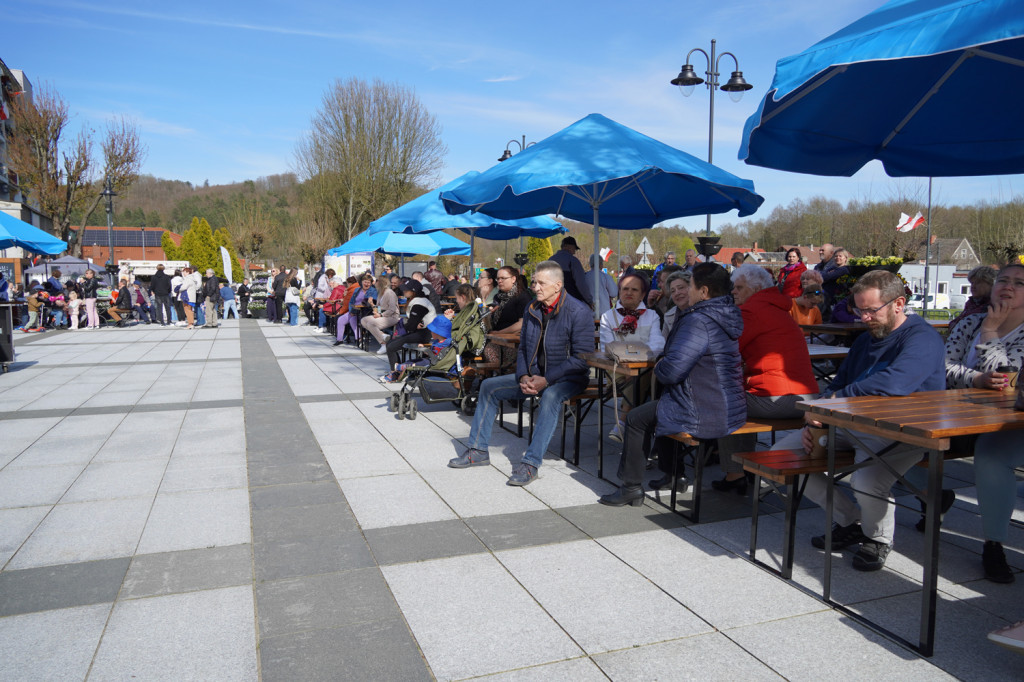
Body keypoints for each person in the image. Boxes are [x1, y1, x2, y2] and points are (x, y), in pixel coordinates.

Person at [769, 270, 945, 572]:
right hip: (851, 424)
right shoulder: (866, 340)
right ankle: (850, 520)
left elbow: (895, 383)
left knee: (866, 480)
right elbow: (839, 384)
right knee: (778, 460)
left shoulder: (923, 338)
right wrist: (817, 419)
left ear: (898, 304)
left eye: (870, 310)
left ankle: (877, 539)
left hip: (904, 431)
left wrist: (830, 406)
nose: (863, 317)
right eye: (858, 309)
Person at [600, 263, 746, 505]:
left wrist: (659, 365)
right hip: (726, 401)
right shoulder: (726, 313)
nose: (686, 290)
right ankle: (673, 475)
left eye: (690, 285)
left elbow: (671, 372)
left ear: (704, 292)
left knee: (636, 418)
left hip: (704, 405)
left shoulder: (698, 319)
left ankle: (630, 488)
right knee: (661, 408)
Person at [449, 260, 594, 486]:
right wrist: (525, 376)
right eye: (534, 282)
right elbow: (525, 348)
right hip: (535, 376)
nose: (535, 287)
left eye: (540, 283)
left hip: (567, 379)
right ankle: (478, 450)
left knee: (551, 396)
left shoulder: (578, 311)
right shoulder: (532, 308)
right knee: (489, 387)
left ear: (557, 286)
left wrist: (547, 379)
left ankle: (531, 463)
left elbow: (582, 359)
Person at [944, 263, 1024, 583]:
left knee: (991, 457)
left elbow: (1005, 383)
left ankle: (994, 544)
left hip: (1007, 423)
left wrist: (992, 332)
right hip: (956, 413)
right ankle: (930, 497)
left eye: (1019, 283)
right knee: (903, 439)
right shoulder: (969, 323)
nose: (1008, 286)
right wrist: (977, 377)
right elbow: (943, 367)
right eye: (1003, 280)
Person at [712, 265, 819, 493]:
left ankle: (735, 473)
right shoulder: (778, 309)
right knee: (738, 399)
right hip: (807, 397)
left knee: (723, 401)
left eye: (739, 287)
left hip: (779, 399)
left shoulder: (751, 311)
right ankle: (743, 467)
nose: (733, 292)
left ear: (756, 289)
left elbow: (724, 351)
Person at [599, 272, 665, 443]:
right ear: (619, 291)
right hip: (617, 371)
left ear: (643, 294)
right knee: (643, 375)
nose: (629, 292)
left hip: (644, 372)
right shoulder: (608, 316)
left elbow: (658, 345)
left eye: (634, 289)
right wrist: (638, 355)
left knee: (643, 374)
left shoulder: (652, 316)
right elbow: (608, 347)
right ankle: (638, 431)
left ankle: (623, 421)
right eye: (625, 289)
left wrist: (631, 358)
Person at [381, 279, 436, 374]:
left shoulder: (420, 303)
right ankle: (398, 370)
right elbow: (412, 324)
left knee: (391, 346)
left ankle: (395, 372)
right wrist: (412, 324)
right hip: (421, 332)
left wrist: (411, 324)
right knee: (390, 343)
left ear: (414, 291)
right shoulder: (417, 300)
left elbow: (410, 326)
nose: (404, 291)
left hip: (427, 333)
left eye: (407, 290)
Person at [481, 266, 532, 369]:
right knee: (487, 351)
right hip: (495, 338)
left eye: (503, 278)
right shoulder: (498, 297)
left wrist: (500, 333)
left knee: (507, 359)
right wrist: (483, 298)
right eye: (498, 278)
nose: (499, 281)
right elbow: (487, 321)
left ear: (513, 279)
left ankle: (499, 378)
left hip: (513, 341)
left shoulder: (522, 296)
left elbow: (522, 324)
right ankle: (490, 379)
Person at [948, 265, 996, 333]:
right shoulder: (971, 303)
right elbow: (956, 321)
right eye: (972, 283)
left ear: (991, 284)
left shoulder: (992, 306)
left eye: (978, 283)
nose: (973, 286)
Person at [362, 275, 401, 354]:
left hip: (392, 316)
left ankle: (383, 344)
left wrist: (380, 315)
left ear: (381, 283)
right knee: (363, 320)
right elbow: (379, 309)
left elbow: (392, 309)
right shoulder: (381, 293)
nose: (375, 283)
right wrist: (372, 304)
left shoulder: (390, 293)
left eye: (377, 281)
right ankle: (383, 335)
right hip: (383, 315)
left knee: (371, 324)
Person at [549, 237, 593, 307]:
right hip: (569, 302)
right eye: (574, 249)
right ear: (568, 247)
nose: (574, 252)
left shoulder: (550, 260)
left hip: (552, 302)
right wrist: (589, 301)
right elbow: (581, 284)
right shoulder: (573, 261)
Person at [334, 273, 376, 345]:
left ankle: (358, 339)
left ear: (371, 283)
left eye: (368, 282)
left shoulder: (373, 291)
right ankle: (339, 339)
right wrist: (351, 311)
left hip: (365, 312)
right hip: (354, 310)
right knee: (340, 320)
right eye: (365, 282)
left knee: (353, 319)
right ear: (361, 282)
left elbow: (373, 301)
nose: (366, 284)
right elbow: (351, 302)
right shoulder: (357, 290)